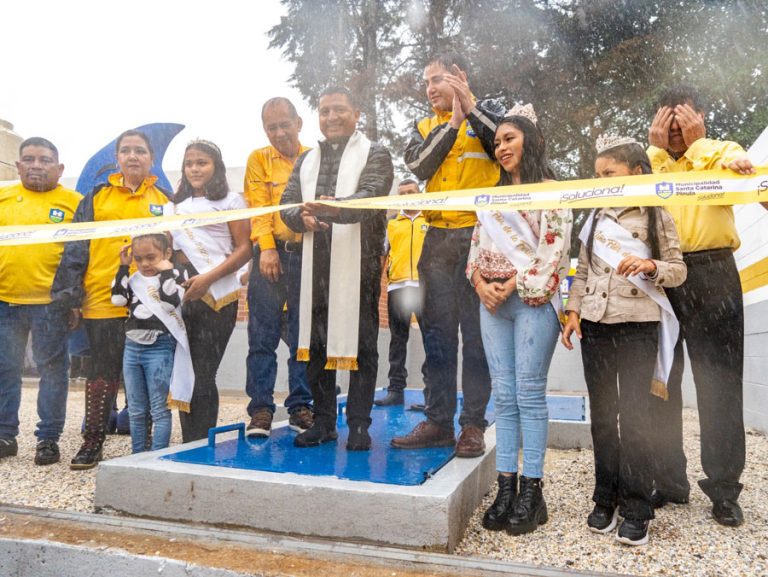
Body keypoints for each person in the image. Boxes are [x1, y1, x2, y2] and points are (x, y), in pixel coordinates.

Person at [562, 135, 687, 546]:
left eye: (609, 173)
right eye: (597, 175)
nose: (601, 181)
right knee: (602, 414)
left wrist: (651, 266)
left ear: (635, 172)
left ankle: (636, 505)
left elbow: (677, 269)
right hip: (595, 323)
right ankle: (605, 495)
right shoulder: (595, 217)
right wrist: (573, 310)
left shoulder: (656, 214)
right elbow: (581, 272)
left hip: (637, 322)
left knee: (635, 416)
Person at [646, 85, 757, 526]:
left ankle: (725, 489)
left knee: (721, 384)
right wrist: (656, 154)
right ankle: (668, 478)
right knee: (659, 384)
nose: (674, 132)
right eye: (666, 123)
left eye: (682, 122)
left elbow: (761, 194)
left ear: (700, 117)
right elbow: (632, 206)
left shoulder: (724, 151)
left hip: (714, 271)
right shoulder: (645, 163)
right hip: (660, 276)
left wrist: (700, 144)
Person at [392, 52, 505, 457]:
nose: (430, 88)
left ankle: (472, 424)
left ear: (460, 77)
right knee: (438, 338)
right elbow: (420, 166)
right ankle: (438, 422)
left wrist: (470, 108)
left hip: (481, 237)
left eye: (438, 79)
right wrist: (454, 123)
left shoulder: (491, 114)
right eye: (426, 82)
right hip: (437, 239)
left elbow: (506, 147)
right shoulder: (423, 126)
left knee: (476, 338)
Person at [467, 108, 572, 536]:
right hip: (490, 303)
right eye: (497, 143)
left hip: (532, 299)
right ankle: (505, 486)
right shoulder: (491, 199)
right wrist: (479, 283)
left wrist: (509, 284)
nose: (502, 147)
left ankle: (533, 490)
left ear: (530, 140)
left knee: (529, 394)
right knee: (504, 398)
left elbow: (555, 251)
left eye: (509, 138)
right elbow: (475, 246)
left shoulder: (554, 192)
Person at [280, 86, 394, 451]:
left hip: (359, 264)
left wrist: (332, 208)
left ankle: (359, 424)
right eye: (324, 110)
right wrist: (303, 216)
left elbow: (370, 197)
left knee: (362, 346)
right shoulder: (306, 160)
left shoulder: (376, 153)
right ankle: (324, 422)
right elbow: (285, 206)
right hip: (314, 263)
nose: (331, 117)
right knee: (314, 347)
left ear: (356, 113)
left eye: (339, 109)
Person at [52, 129, 172, 469]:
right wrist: (71, 296)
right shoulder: (95, 197)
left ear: (151, 159)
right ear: (116, 158)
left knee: (148, 374)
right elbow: (76, 248)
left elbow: (179, 252)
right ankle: (93, 441)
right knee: (102, 372)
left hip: (150, 305)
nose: (133, 156)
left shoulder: (166, 198)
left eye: (140, 151)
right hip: (102, 300)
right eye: (126, 151)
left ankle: (145, 441)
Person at [0, 137, 81, 466]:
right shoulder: (2, 197)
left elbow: (80, 255)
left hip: (52, 304)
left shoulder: (75, 203)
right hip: (5, 300)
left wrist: (74, 299)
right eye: (29, 159)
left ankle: (48, 439)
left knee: (53, 371)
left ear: (59, 169)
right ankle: (5, 435)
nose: (36, 165)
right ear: (17, 166)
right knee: (5, 369)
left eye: (45, 160)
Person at [166, 140, 251, 442]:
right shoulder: (174, 206)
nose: (194, 169)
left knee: (203, 373)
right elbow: (169, 251)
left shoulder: (230, 200)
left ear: (216, 166)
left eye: (202, 162)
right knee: (184, 371)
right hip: (182, 294)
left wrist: (207, 278)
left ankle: (202, 442)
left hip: (218, 294)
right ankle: (189, 440)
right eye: (189, 163)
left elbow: (244, 249)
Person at [243, 97, 313, 437]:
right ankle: (260, 410)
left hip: (308, 256)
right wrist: (267, 249)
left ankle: (301, 405)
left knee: (303, 336)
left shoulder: (315, 157)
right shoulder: (258, 160)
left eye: (285, 124)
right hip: (269, 255)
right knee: (262, 335)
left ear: (299, 123)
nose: (279, 132)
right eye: (272, 127)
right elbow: (258, 207)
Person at [110, 234, 183, 453]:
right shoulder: (133, 280)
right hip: (132, 348)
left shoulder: (175, 277)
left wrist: (167, 271)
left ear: (167, 254)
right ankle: (137, 455)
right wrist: (124, 268)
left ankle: (157, 457)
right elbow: (118, 300)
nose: (144, 264)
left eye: (151, 257)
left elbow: (170, 304)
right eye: (138, 258)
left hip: (160, 347)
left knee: (160, 409)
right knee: (136, 409)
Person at [375, 178, 428, 407]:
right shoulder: (392, 223)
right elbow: (382, 255)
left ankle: (431, 394)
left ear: (419, 193)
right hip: (397, 287)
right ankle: (396, 390)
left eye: (410, 191)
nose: (406, 195)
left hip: (424, 287)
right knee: (397, 341)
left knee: (431, 340)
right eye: (402, 192)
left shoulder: (432, 219)